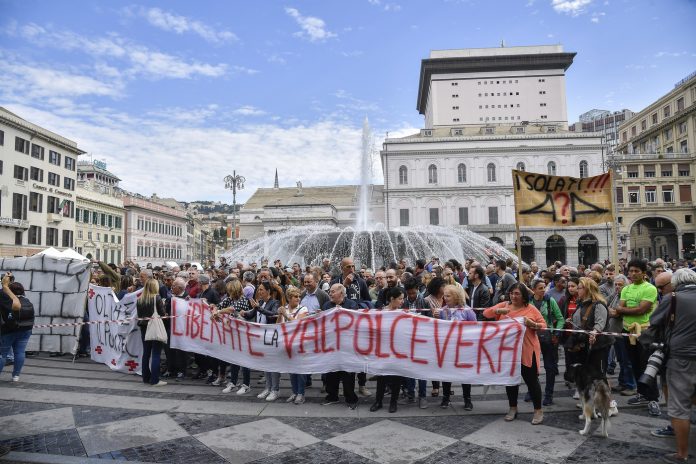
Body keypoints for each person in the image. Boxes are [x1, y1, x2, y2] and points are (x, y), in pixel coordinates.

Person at [649, 268, 696, 463]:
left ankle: (682, 453)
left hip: (680, 357)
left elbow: (654, 321)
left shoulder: (673, 298)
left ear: (675, 283)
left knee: (679, 406)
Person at [484, 283, 546, 425]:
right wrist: (499, 311)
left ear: (524, 295)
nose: (513, 296)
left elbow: (544, 325)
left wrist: (533, 324)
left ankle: (538, 410)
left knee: (532, 382)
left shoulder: (531, 309)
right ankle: (513, 408)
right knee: (510, 381)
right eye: (511, 293)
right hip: (509, 353)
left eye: (517, 293)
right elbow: (486, 313)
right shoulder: (505, 305)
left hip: (527, 350)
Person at [610, 258, 660, 416]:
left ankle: (653, 399)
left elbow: (641, 310)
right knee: (635, 364)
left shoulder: (650, 288)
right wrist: (623, 309)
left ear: (644, 273)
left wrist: (622, 310)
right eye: (631, 271)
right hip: (627, 331)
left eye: (636, 271)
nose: (633, 273)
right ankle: (642, 393)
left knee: (647, 366)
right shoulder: (626, 289)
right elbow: (621, 308)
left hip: (644, 332)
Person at [435, 285, 477, 410]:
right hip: (448, 348)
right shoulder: (443, 311)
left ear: (456, 296)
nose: (445, 298)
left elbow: (476, 327)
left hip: (464, 349)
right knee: (446, 374)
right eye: (444, 295)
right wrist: (436, 317)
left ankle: (467, 399)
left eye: (448, 295)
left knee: (465, 374)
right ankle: (446, 397)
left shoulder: (467, 311)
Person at [322, 284, 360, 408]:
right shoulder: (327, 306)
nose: (330, 294)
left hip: (347, 347)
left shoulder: (351, 305)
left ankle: (351, 399)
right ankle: (332, 396)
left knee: (347, 374)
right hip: (332, 346)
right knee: (331, 373)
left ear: (341, 294)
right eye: (330, 291)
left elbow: (355, 322)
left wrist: (341, 313)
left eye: (333, 292)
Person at [211, 279, 252, 395]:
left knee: (244, 361)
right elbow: (219, 305)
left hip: (243, 334)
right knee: (234, 359)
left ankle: (246, 384)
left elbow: (232, 309)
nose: (228, 292)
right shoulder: (229, 299)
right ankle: (233, 382)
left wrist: (218, 311)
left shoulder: (243, 299)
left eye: (230, 290)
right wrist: (214, 308)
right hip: (233, 334)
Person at [370, 286, 407, 413]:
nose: (402, 301)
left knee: (396, 377)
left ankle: (393, 402)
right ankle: (378, 401)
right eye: (400, 299)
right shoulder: (381, 313)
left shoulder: (403, 314)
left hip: (397, 349)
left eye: (403, 299)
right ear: (392, 299)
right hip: (383, 349)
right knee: (381, 377)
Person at [241, 281, 281, 402]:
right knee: (266, 364)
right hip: (261, 338)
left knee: (273, 364)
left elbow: (273, 315)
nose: (259, 291)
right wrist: (243, 313)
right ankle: (268, 387)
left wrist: (258, 308)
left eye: (262, 289)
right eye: (259, 289)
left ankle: (275, 389)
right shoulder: (261, 303)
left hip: (271, 337)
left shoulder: (275, 302)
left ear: (268, 291)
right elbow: (251, 314)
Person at [529, 279, 564, 405]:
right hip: (531, 338)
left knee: (550, 367)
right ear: (533, 290)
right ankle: (532, 391)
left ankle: (549, 394)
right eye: (540, 288)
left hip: (548, 339)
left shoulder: (550, 301)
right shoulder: (528, 302)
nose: (543, 290)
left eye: (544, 287)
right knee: (532, 367)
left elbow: (560, 319)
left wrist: (556, 333)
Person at [278, 286, 310, 405]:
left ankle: (301, 393)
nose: (298, 298)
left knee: (300, 369)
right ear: (289, 298)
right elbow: (278, 325)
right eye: (295, 296)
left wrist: (285, 315)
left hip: (300, 343)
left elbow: (297, 323)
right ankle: (295, 392)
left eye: (299, 296)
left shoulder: (303, 309)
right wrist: (280, 315)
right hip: (287, 343)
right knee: (291, 369)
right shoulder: (284, 308)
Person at [0, 274, 32, 382]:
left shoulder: (6, 298)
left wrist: (5, 285)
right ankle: (16, 376)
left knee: (2, 354)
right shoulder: (26, 300)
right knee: (20, 352)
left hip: (8, 330)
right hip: (25, 329)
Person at [136, 278, 167, 387]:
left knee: (146, 353)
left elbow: (139, 315)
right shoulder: (156, 298)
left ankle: (146, 377)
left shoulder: (140, 299)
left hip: (144, 328)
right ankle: (155, 380)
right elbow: (163, 314)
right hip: (154, 327)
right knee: (156, 354)